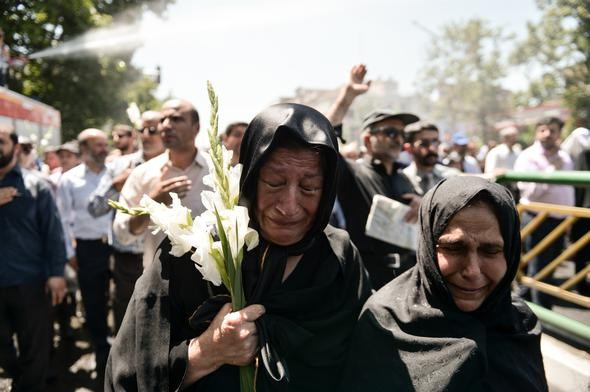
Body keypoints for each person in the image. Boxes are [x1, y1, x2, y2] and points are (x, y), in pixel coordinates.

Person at [106, 103, 371, 391]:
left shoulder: (339, 259)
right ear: (249, 178)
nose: (289, 206)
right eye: (274, 183)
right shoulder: (191, 249)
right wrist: (207, 352)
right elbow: (130, 371)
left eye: (309, 188)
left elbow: (365, 362)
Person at [341, 176, 547, 391]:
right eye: (454, 248)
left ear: (510, 252)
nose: (472, 271)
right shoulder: (385, 322)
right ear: (428, 245)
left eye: (491, 250)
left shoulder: (520, 322)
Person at [327, 64, 421, 289]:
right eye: (390, 132)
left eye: (402, 134)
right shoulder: (352, 172)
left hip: (408, 277)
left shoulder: (404, 178)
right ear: (368, 140)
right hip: (368, 281)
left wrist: (423, 204)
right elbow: (324, 139)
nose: (398, 139)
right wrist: (346, 97)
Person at [0, 124, 67, 391]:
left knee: (35, 348)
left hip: (29, 281)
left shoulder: (36, 185)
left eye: (0, 142)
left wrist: (56, 274)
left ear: (15, 148)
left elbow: (53, 233)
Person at [88, 110, 165, 332]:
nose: (147, 135)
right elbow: (94, 208)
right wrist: (115, 186)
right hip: (127, 260)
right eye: (141, 130)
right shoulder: (119, 166)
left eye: (153, 129)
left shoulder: (176, 165)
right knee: (126, 320)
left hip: (165, 258)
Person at [113, 99, 207, 269]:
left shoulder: (219, 172)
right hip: (159, 285)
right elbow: (122, 233)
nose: (166, 125)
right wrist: (152, 204)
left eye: (176, 119)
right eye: (162, 120)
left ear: (196, 128)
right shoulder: (142, 173)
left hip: (214, 286)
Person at [57, 128, 112, 378]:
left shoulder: (115, 174)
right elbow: (63, 220)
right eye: (98, 144)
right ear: (85, 149)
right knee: (94, 303)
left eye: (105, 144)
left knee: (120, 300)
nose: (104, 148)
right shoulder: (69, 180)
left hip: (117, 246)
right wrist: (69, 252)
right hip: (87, 249)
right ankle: (102, 356)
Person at [514, 116, 574, 308]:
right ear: (536, 132)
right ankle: (537, 314)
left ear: (559, 134)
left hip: (560, 220)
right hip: (536, 218)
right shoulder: (527, 156)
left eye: (552, 130)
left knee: (550, 268)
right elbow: (529, 190)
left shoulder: (564, 157)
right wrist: (550, 170)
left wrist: (569, 217)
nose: (547, 134)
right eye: (543, 130)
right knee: (537, 268)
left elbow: (568, 189)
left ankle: (530, 308)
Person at [402, 121, 459, 195]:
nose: (432, 148)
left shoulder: (452, 176)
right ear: (409, 148)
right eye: (424, 144)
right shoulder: (403, 179)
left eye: (435, 142)